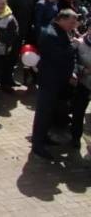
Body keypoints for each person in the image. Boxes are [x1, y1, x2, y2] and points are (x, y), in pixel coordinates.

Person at [32, 9, 79, 160]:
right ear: (62, 19)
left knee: (49, 112)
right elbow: (60, 55)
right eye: (71, 22)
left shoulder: (60, 31)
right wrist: (74, 45)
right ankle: (37, 145)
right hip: (49, 80)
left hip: (57, 80)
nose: (74, 25)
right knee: (43, 113)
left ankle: (43, 137)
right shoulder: (51, 34)